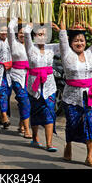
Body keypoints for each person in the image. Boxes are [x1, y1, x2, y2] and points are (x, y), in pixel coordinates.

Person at [59, 21, 92, 168]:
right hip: (71, 97)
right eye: (76, 40)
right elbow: (63, 37)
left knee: (91, 124)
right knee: (72, 124)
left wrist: (87, 25)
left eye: (82, 40)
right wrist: (63, 25)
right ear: (70, 43)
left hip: (89, 97)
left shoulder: (91, 54)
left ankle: (89, 156)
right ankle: (68, 145)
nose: (79, 43)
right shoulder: (67, 54)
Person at [23, 22, 60, 152]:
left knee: (49, 111)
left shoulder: (52, 48)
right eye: (39, 34)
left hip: (49, 86)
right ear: (34, 36)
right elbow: (26, 33)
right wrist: (32, 23)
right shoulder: (30, 47)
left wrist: (59, 30)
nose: (42, 37)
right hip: (34, 86)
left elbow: (66, 45)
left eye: (44, 34)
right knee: (35, 110)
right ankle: (35, 137)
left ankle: (49, 143)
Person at [8, 17, 32, 138]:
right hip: (16, 75)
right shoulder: (13, 43)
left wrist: (32, 21)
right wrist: (15, 18)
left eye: (24, 33)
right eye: (20, 33)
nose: (22, 35)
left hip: (30, 76)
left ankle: (22, 124)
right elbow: (9, 28)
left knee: (27, 101)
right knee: (24, 100)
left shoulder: (31, 44)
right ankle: (27, 130)